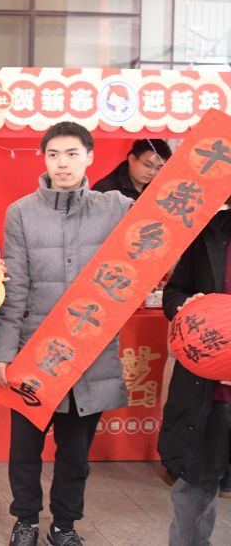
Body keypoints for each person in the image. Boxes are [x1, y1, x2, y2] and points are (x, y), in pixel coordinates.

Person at [0, 121, 132, 546]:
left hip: (90, 354)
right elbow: (15, 287)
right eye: (53, 154)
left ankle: (64, 525)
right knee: (24, 449)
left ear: (90, 157)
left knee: (75, 454)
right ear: (44, 159)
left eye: (72, 154)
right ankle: (26, 521)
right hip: (36, 351)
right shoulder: (21, 212)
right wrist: (3, 350)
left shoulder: (115, 207)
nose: (62, 163)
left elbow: (160, 232)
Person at [158, 197, 231, 546]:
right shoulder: (210, 232)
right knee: (195, 487)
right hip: (208, 392)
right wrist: (185, 306)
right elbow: (174, 291)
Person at [92, 138, 171, 200]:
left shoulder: (163, 187)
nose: (152, 172)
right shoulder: (104, 190)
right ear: (132, 159)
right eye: (147, 165)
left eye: (158, 168)